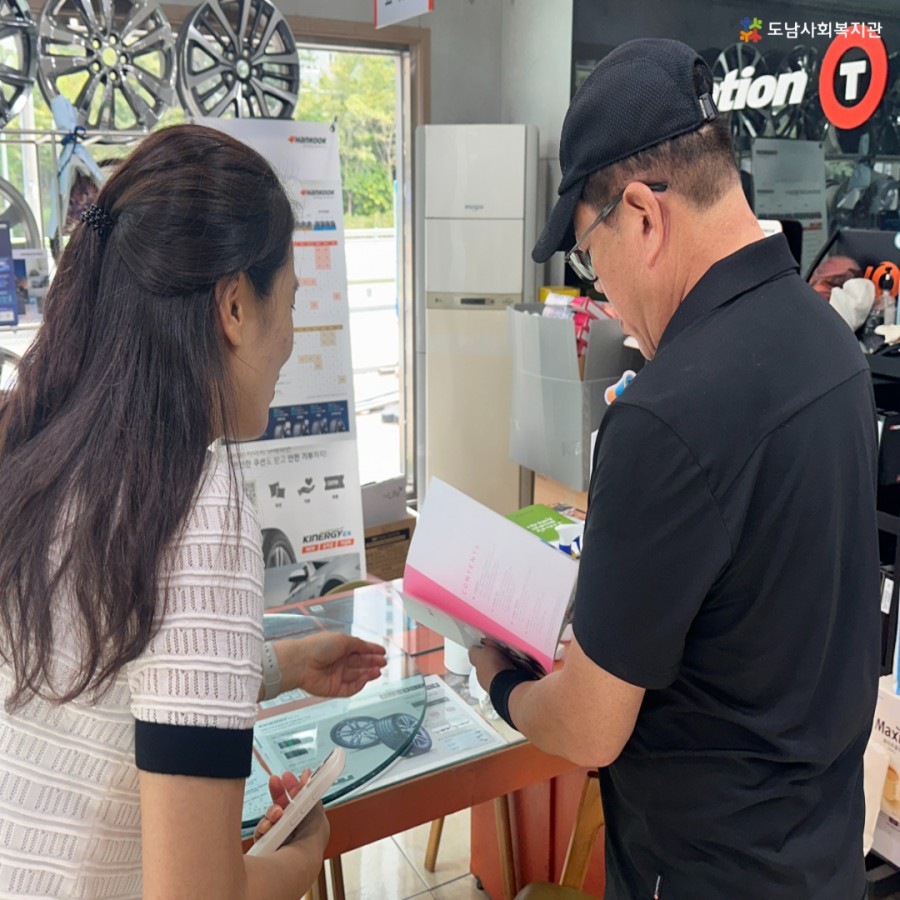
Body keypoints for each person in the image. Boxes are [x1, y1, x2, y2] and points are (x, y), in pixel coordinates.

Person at [470, 38, 880, 900]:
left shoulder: (664, 415)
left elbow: (590, 730)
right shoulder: (831, 347)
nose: (605, 297)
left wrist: (500, 681)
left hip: (704, 868)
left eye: (592, 259)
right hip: (820, 855)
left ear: (643, 217)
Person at [0, 123, 386, 898]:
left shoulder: (34, 439)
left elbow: (93, 687)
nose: (290, 340)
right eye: (290, 303)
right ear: (235, 305)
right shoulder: (197, 508)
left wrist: (274, 667)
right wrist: (302, 852)